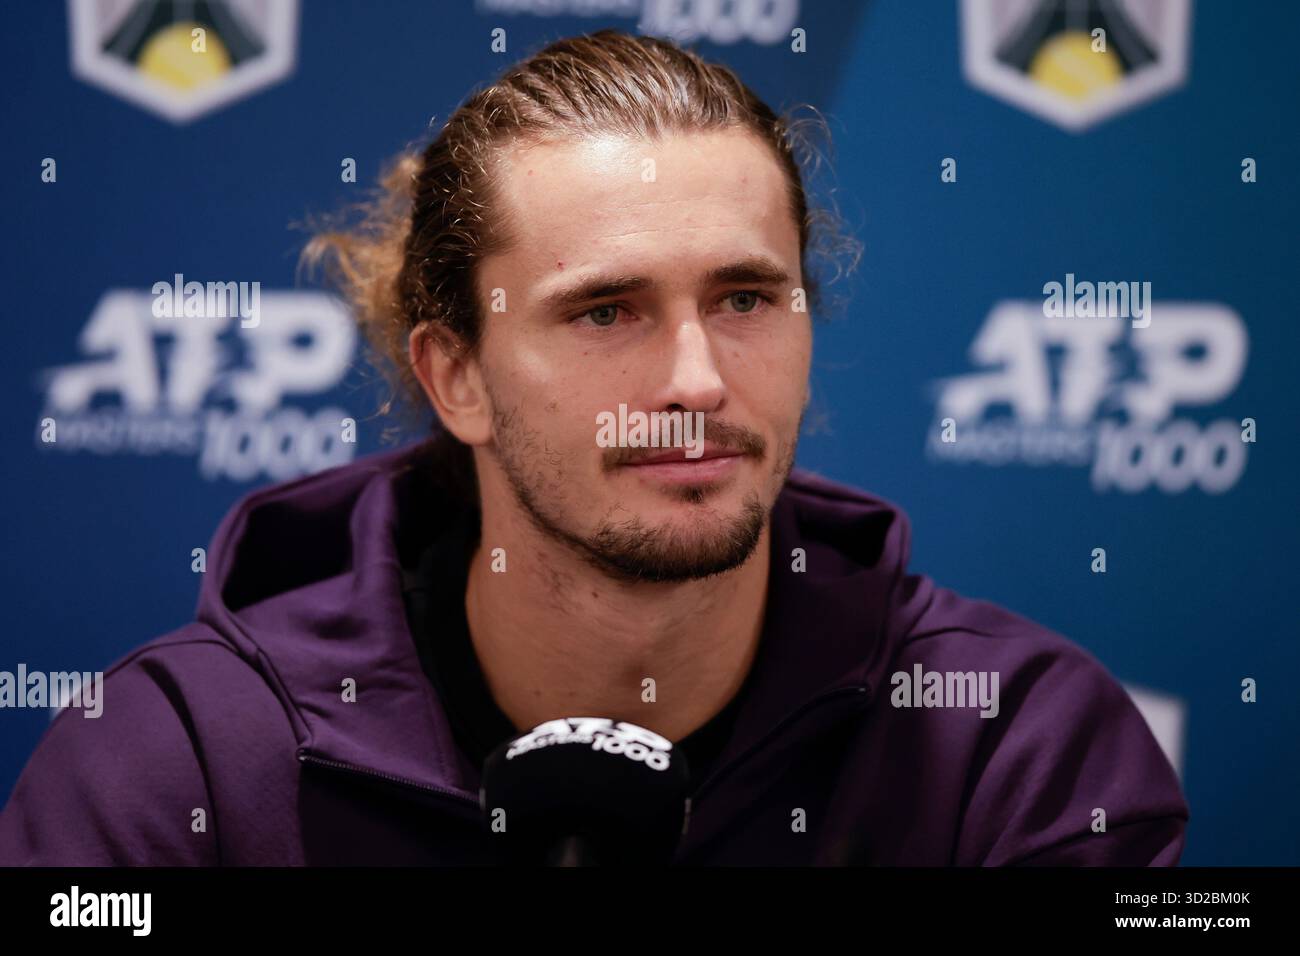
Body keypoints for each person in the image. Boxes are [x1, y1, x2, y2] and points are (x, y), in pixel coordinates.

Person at [0, 28, 1186, 865]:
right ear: (455, 374)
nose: (697, 380)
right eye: (605, 310)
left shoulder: (1014, 748)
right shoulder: (175, 766)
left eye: (745, 298)